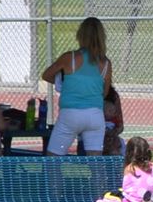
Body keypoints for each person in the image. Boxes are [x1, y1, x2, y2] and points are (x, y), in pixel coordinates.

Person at [41, 17, 113, 156]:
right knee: (96, 162)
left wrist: (63, 84)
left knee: (53, 158)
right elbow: (104, 92)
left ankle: (55, 179)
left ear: (81, 35)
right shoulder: (106, 63)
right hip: (95, 114)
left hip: (70, 114)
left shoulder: (70, 57)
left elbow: (46, 75)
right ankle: (100, 179)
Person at [101, 84, 126, 155]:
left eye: (111, 110)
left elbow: (120, 127)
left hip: (112, 136)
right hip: (97, 135)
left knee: (117, 144)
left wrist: (113, 133)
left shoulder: (114, 95)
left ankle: (117, 162)